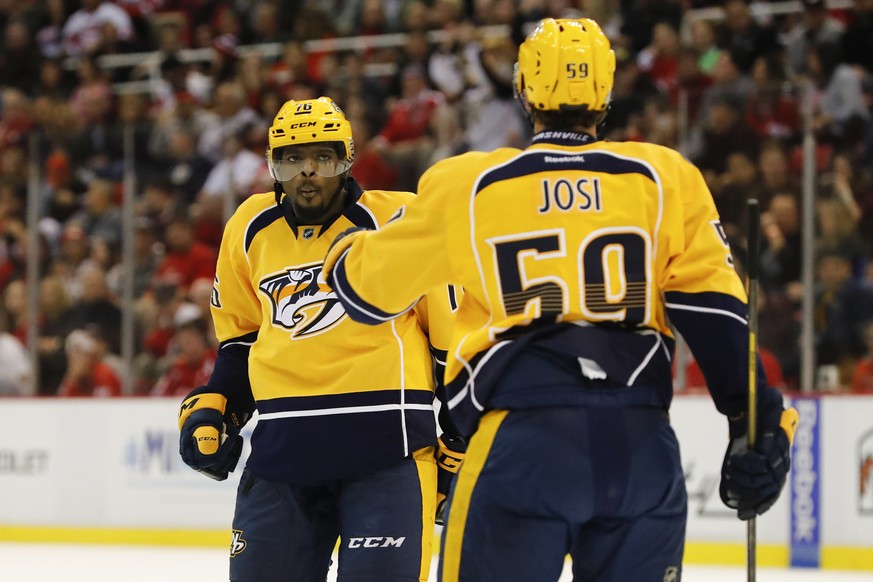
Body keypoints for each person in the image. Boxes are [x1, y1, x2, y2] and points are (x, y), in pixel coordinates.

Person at [323, 18, 799, 581]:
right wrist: (757, 420)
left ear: (524, 91)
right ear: (606, 93)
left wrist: (350, 249)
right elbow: (715, 314)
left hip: (521, 442)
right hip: (641, 445)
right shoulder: (665, 177)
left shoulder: (470, 185)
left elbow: (363, 293)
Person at [176, 96, 463, 581]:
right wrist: (217, 403)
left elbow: (450, 348)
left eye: (322, 158)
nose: (307, 171)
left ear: (346, 161)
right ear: (274, 166)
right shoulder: (249, 227)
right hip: (282, 459)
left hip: (387, 460)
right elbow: (242, 341)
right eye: (293, 159)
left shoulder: (399, 222)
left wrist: (458, 439)